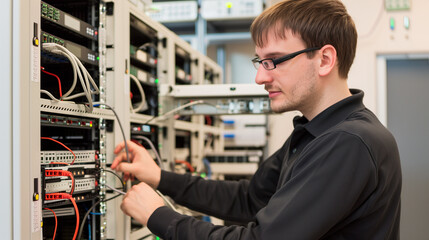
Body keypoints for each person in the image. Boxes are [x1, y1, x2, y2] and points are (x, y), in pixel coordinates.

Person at [111, 0, 402, 239]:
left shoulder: (347, 142)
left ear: (324, 59)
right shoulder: (315, 132)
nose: (260, 77)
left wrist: (158, 216)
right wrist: (159, 176)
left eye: (273, 61)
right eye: (259, 61)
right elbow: (248, 199)